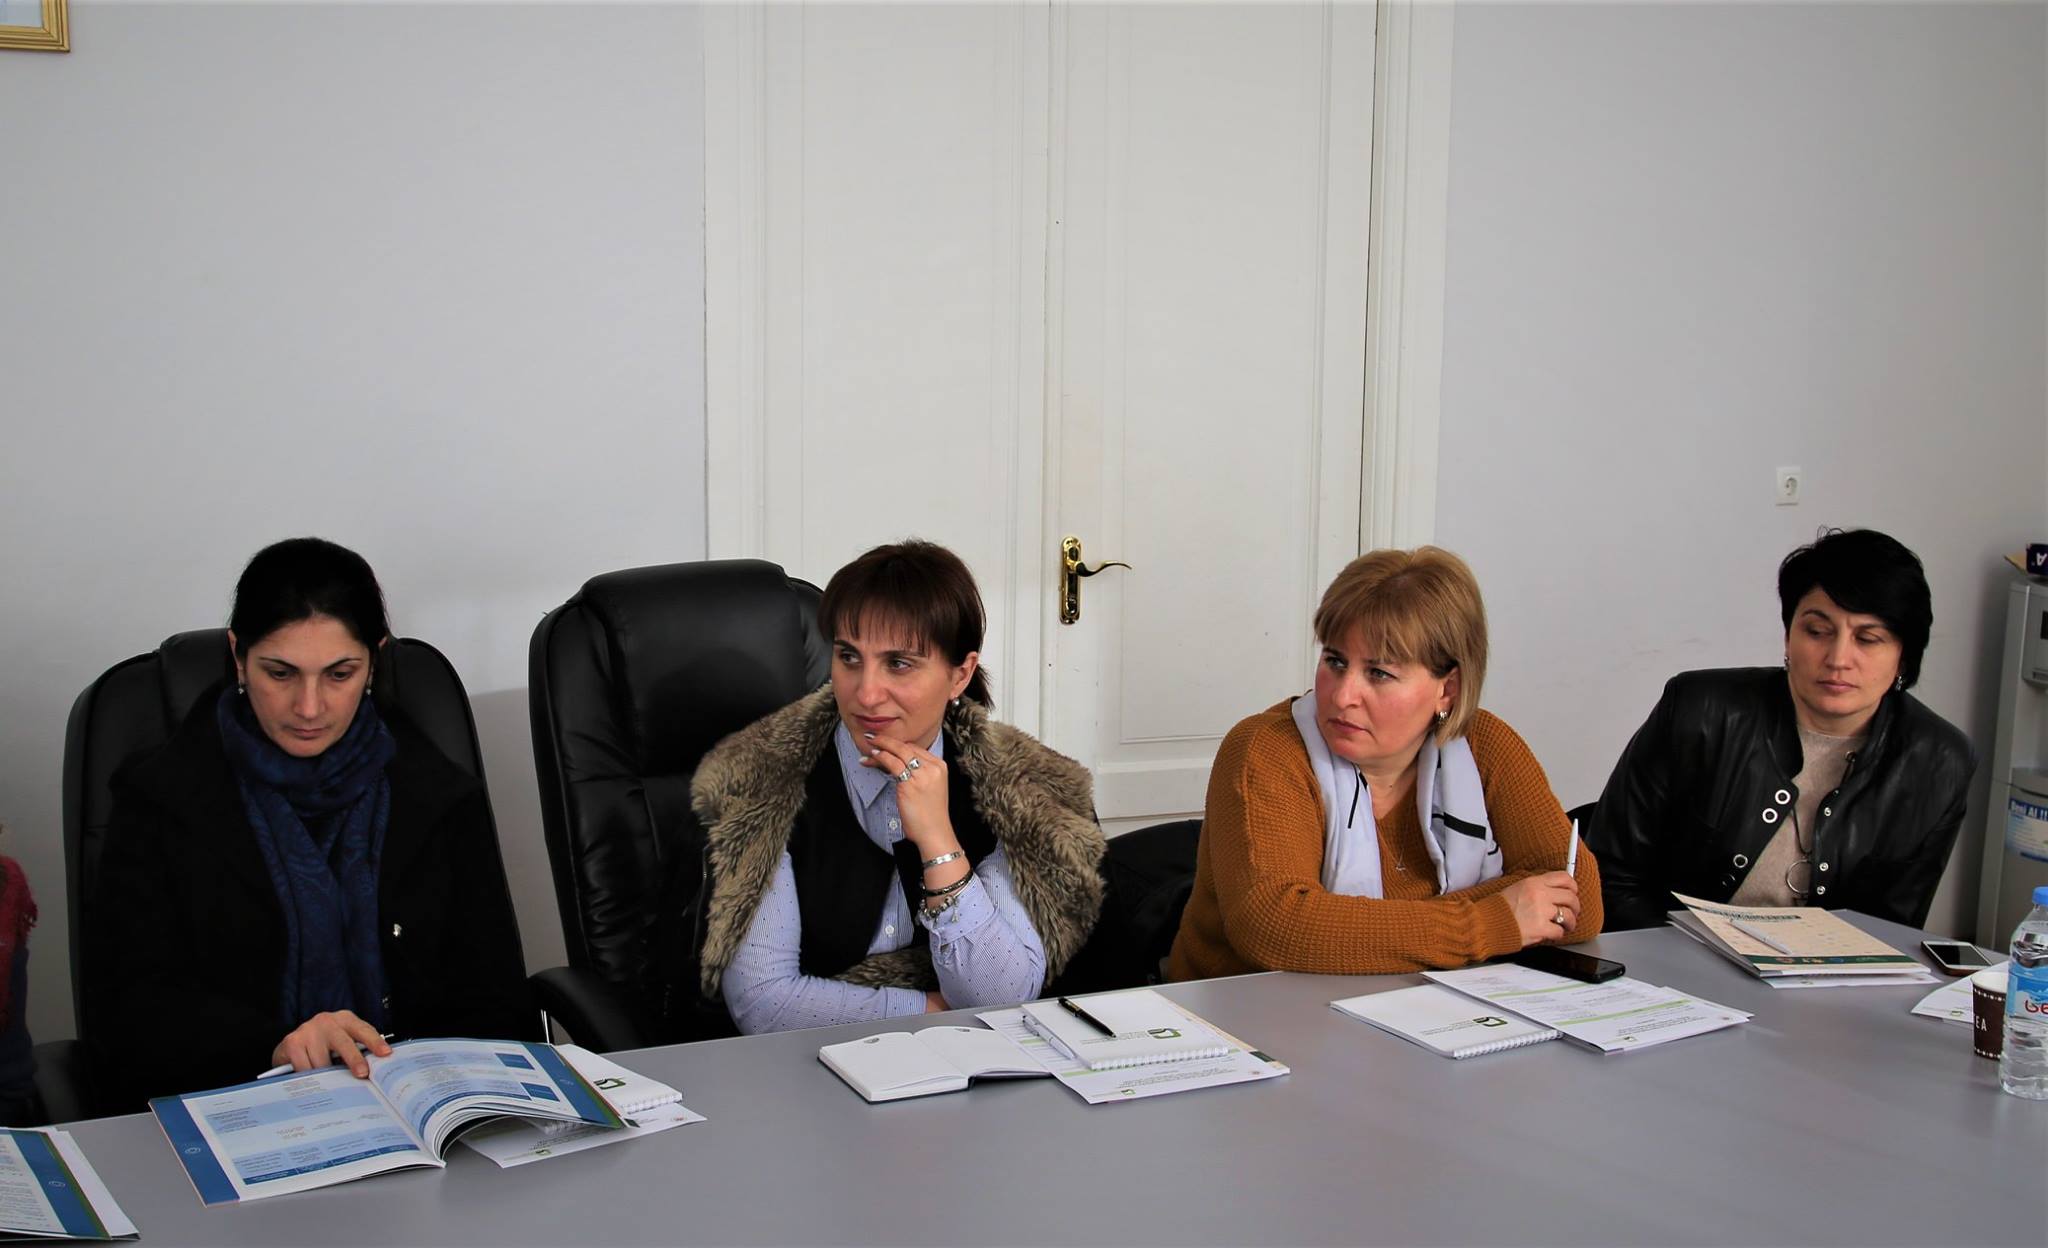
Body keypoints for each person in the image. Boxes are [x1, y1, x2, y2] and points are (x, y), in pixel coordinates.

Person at [93, 538, 533, 1105]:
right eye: (280, 673)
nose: (308, 707)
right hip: (229, 1106)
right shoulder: (160, 799)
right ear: (238, 656)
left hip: (423, 1106)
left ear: (374, 660)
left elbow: (497, 1000)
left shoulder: (438, 793)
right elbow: (127, 1019)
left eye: (339, 674)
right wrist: (276, 1046)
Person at [695, 540, 1106, 1034]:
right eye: (849, 657)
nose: (866, 694)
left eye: (899, 664)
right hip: (801, 1061)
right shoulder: (764, 780)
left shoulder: (1016, 788)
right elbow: (764, 1005)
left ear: (960, 675)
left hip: (970, 1062)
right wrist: (929, 1013)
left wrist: (938, 842)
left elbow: (999, 995)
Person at [1167, 547, 1602, 981]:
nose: (1342, 696)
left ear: (1447, 690)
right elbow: (1275, 927)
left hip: (1423, 1004)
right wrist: (1493, 921)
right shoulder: (1267, 749)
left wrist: (1365, 928)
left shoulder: (1484, 744)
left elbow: (1579, 900)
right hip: (1244, 1011)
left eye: (1379, 673)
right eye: (1335, 661)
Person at [1586, 528, 1976, 931]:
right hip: (1670, 955)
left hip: (1827, 969)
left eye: (1868, 638)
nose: (1838, 658)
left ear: (1904, 657)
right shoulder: (1700, 710)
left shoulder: (1939, 761)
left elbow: (1893, 930)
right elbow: (1610, 879)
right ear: (1789, 637)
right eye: (1817, 632)